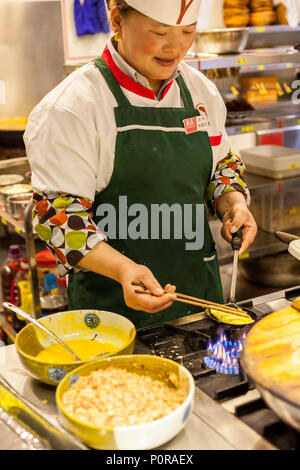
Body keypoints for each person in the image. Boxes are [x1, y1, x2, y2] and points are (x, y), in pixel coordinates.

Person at [24, 0, 257, 329]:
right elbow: (58, 219)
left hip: (199, 300)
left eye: (188, 32)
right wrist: (122, 270)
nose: (175, 47)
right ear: (117, 19)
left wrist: (232, 204)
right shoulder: (71, 108)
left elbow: (221, 168)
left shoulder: (201, 92)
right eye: (160, 32)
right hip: (112, 311)